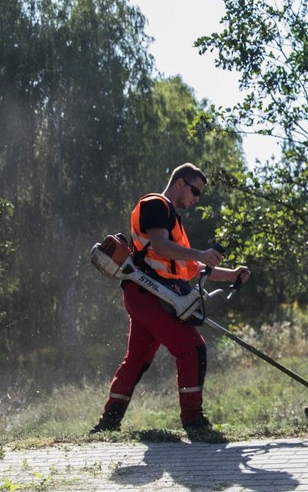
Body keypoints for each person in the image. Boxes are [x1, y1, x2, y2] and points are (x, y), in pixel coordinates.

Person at [90, 163, 250, 437]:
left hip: (150, 295)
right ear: (180, 183)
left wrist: (231, 274)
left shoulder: (173, 220)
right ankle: (194, 421)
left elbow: (187, 268)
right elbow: (162, 246)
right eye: (195, 192)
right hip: (149, 294)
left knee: (137, 358)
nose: (196, 199)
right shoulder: (156, 205)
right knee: (192, 348)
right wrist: (200, 253)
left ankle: (108, 423)